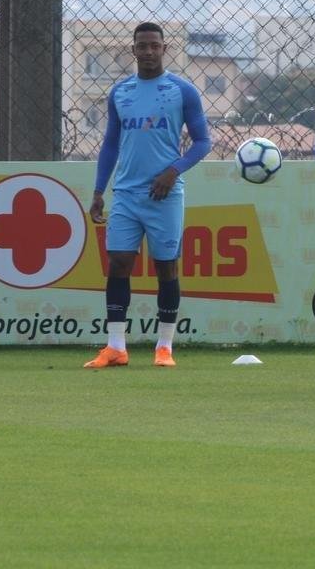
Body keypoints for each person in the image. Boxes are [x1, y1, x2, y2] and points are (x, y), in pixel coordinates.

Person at [86, 22, 211, 369]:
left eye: (155, 46)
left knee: (166, 267)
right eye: (142, 46)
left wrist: (174, 171)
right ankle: (115, 347)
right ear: (134, 50)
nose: (149, 52)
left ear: (164, 49)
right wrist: (99, 191)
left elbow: (203, 142)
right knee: (118, 265)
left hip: (165, 195)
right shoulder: (120, 92)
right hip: (126, 193)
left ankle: (164, 347)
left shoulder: (182, 91)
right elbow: (110, 144)